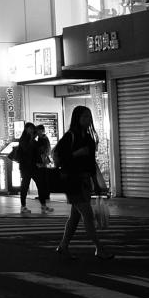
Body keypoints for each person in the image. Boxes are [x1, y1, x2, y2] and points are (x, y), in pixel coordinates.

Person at [53, 105, 112, 260]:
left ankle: (63, 246)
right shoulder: (70, 136)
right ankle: (99, 248)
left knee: (75, 216)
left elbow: (91, 163)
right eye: (84, 117)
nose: (88, 120)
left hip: (84, 181)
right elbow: (61, 158)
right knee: (87, 214)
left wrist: (97, 184)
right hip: (72, 181)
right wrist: (77, 153)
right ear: (77, 118)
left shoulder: (89, 138)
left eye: (89, 117)